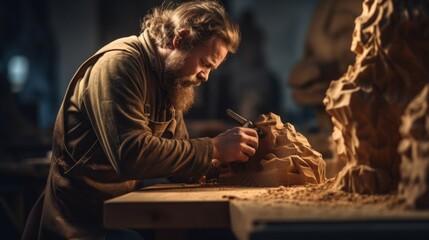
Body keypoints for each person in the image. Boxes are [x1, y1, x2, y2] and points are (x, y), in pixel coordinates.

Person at [22, 1, 259, 239]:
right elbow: (131, 154)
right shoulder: (119, 65)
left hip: (118, 212)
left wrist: (239, 166)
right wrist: (215, 148)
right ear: (181, 39)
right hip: (77, 224)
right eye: (204, 64)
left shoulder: (168, 79)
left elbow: (180, 167)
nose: (205, 76)